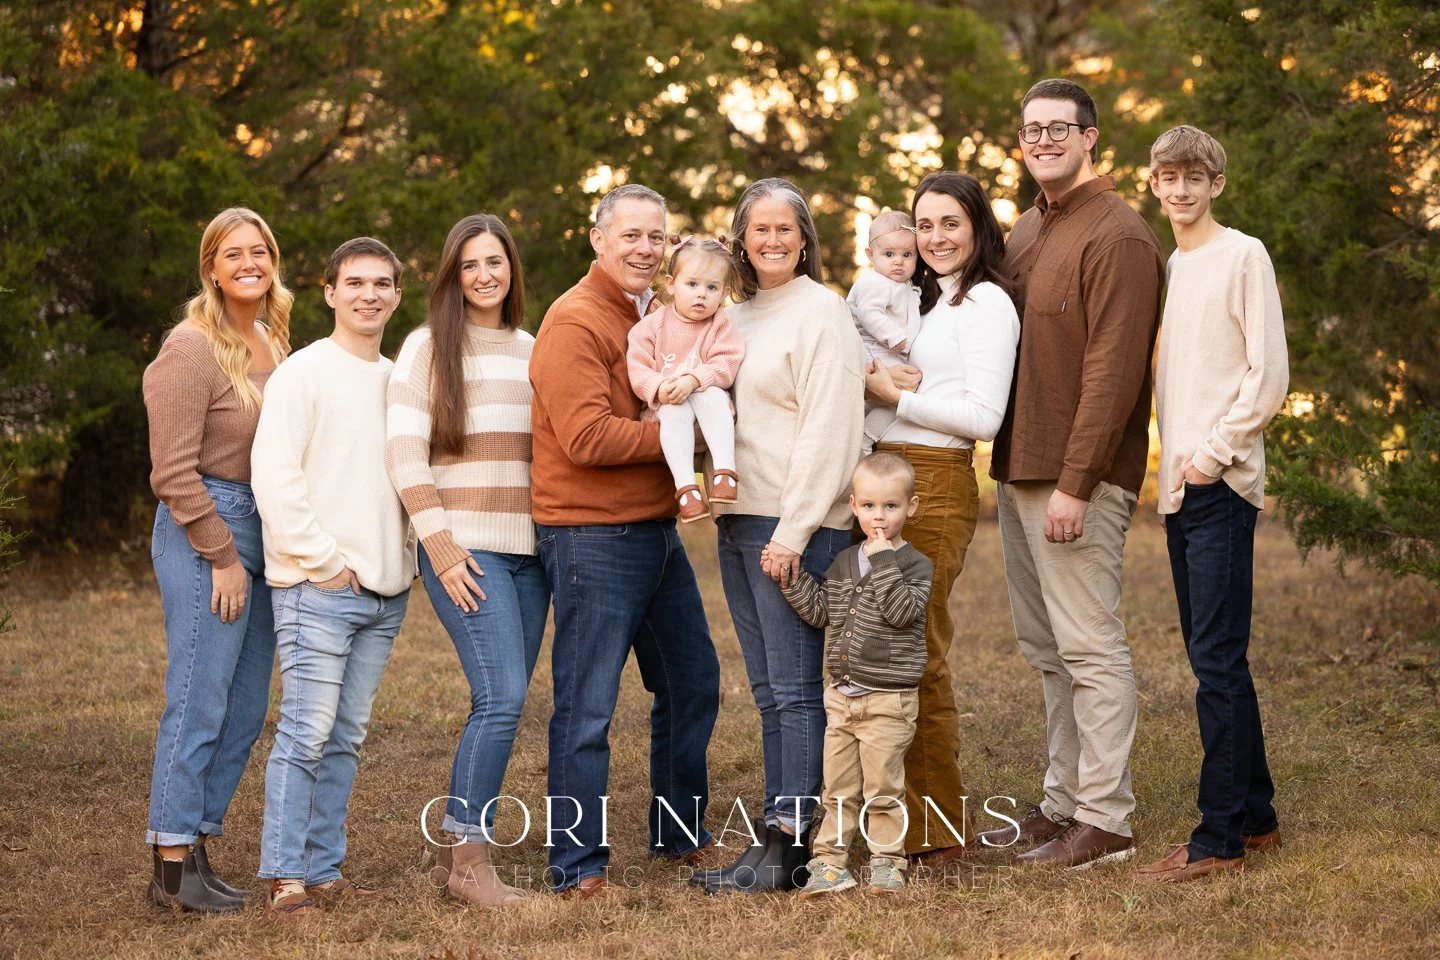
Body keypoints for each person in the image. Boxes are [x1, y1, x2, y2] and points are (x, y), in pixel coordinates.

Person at [982, 78, 1165, 869]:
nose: (1045, 140)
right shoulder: (1025, 231)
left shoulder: (1119, 236)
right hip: (1020, 468)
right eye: (1032, 129)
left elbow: (1114, 373)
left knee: (1088, 646)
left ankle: (1107, 817)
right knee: (1046, 647)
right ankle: (1063, 804)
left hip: (1073, 477)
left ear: (1092, 138)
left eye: (1061, 128)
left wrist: (1077, 483)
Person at [528, 183, 722, 899]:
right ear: (597, 239)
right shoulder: (575, 321)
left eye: (657, 237)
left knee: (691, 681)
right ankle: (578, 866)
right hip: (590, 537)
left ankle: (680, 832)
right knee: (587, 705)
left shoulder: (657, 319)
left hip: (652, 529)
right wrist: (686, 440)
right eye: (632, 235)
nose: (646, 248)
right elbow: (584, 437)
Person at [698, 177, 865, 895]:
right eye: (757, 229)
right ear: (741, 239)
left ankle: (796, 846)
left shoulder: (823, 313)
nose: (770, 240)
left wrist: (795, 534)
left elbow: (832, 430)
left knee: (797, 691)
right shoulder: (733, 317)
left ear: (805, 240)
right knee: (768, 690)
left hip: (795, 527)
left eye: (784, 229)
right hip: (738, 520)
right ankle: (773, 835)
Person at [1135, 125, 1289, 883]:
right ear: (1155, 185)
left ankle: (1218, 836)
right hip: (1181, 488)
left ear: (1216, 184)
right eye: (1170, 177)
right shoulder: (1176, 263)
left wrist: (1211, 458)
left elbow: (1268, 377)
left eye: (1196, 176)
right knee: (1213, 655)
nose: (1183, 189)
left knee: (1217, 664)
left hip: (1218, 484)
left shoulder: (1242, 255)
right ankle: (1256, 817)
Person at [251, 237, 416, 917]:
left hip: (385, 591)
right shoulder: (304, 374)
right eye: (355, 283)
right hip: (317, 586)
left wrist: (399, 563)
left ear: (398, 296)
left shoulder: (399, 380)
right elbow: (276, 477)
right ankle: (286, 875)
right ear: (329, 292)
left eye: (382, 283)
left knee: (347, 734)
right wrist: (325, 565)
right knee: (306, 731)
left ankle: (324, 868)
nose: (368, 295)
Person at [386, 214, 546, 907]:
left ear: (512, 271)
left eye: (496, 263)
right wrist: (442, 548)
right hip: (466, 548)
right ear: (453, 275)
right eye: (471, 265)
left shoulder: (533, 349)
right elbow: (402, 456)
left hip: (529, 555)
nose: (485, 275)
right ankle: (466, 861)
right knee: (502, 695)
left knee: (505, 702)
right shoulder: (427, 347)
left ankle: (462, 845)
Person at [863, 171, 1020, 868]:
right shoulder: (928, 302)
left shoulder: (986, 302)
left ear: (978, 226)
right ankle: (887, 814)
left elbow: (984, 417)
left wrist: (890, 398)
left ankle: (935, 833)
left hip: (934, 482)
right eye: (924, 226)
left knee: (914, 653)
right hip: (887, 474)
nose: (934, 238)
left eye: (948, 223)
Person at [142, 207, 290, 913]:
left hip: (266, 528)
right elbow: (173, 474)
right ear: (211, 266)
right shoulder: (190, 346)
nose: (247, 262)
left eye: (258, 250)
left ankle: (196, 845)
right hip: (208, 528)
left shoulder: (271, 336)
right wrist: (223, 556)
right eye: (232, 253)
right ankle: (169, 866)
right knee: (199, 696)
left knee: (246, 704)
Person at [784, 453, 934, 898]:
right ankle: (830, 864)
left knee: (884, 787)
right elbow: (822, 614)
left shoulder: (915, 565)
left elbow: (902, 612)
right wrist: (793, 582)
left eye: (890, 506)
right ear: (853, 505)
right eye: (869, 506)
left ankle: (888, 862)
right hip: (842, 699)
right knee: (838, 788)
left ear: (911, 507)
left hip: (889, 701)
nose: (879, 516)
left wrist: (885, 559)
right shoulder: (845, 562)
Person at [625, 235, 746, 522]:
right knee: (674, 409)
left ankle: (725, 472)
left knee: (711, 392)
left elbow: (728, 361)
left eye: (712, 287)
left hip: (709, 411)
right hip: (667, 412)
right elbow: (638, 368)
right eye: (692, 284)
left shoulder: (721, 324)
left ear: (724, 292)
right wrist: (659, 387)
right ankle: (686, 489)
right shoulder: (651, 326)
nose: (701, 294)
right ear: (671, 284)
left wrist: (693, 380)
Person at [848, 210, 923, 453]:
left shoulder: (902, 285)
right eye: (889, 254)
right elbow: (869, 314)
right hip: (875, 349)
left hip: (888, 351)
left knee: (892, 401)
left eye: (907, 254)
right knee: (896, 400)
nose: (898, 261)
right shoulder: (874, 282)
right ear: (871, 255)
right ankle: (864, 439)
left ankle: (865, 437)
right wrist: (897, 337)